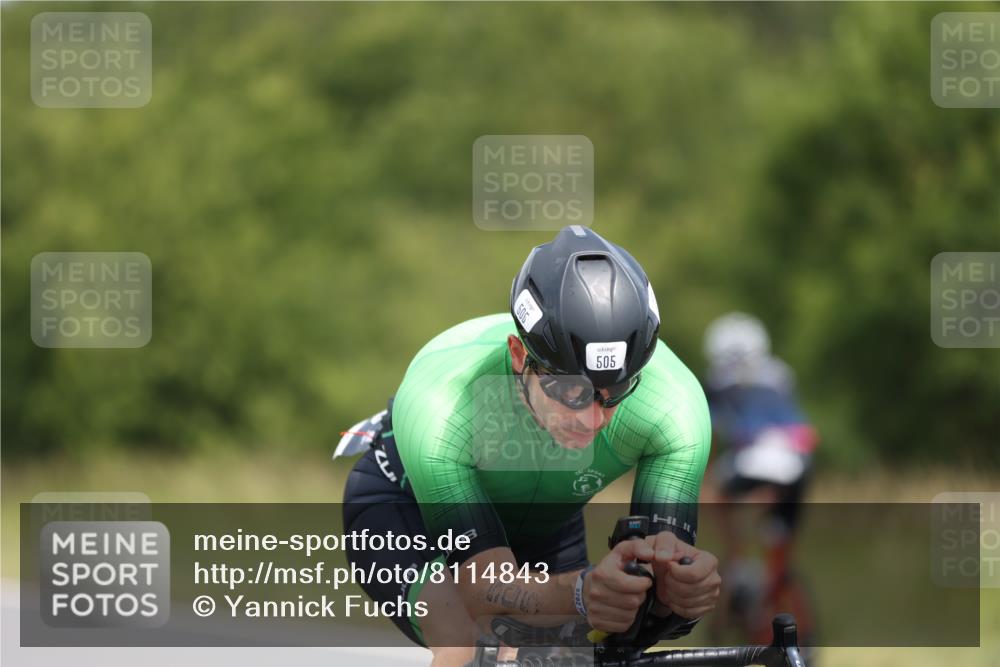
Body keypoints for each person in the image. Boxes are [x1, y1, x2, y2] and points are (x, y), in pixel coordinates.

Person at [339, 226, 720, 666]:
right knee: (469, 639)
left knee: (570, 656)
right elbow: (481, 588)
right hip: (406, 512)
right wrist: (581, 592)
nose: (594, 418)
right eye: (572, 392)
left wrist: (680, 591)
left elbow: (658, 584)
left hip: (545, 526)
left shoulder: (674, 407)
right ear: (520, 357)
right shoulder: (445, 403)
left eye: (616, 391)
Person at [699, 312, 818, 641]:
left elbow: (708, 433)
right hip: (796, 465)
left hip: (750, 463)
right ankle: (778, 577)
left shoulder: (718, 381)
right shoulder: (782, 375)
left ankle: (737, 555)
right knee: (779, 544)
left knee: (717, 498)